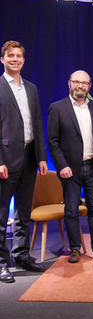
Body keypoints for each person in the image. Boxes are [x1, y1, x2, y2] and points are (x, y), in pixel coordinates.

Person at [47, 70, 93, 264]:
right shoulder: (57, 108)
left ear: (89, 86)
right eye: (76, 82)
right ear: (69, 83)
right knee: (71, 210)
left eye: (84, 83)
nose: (80, 86)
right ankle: (75, 248)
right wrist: (61, 166)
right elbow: (53, 141)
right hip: (70, 170)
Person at [0, 41, 47, 283]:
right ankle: (1, 262)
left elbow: (37, 123)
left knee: (24, 213)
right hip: (6, 161)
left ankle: (21, 255)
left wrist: (41, 156)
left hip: (30, 159)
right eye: (11, 56)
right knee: (1, 215)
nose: (15, 59)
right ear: (3, 59)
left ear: (24, 60)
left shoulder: (31, 88)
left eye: (19, 56)